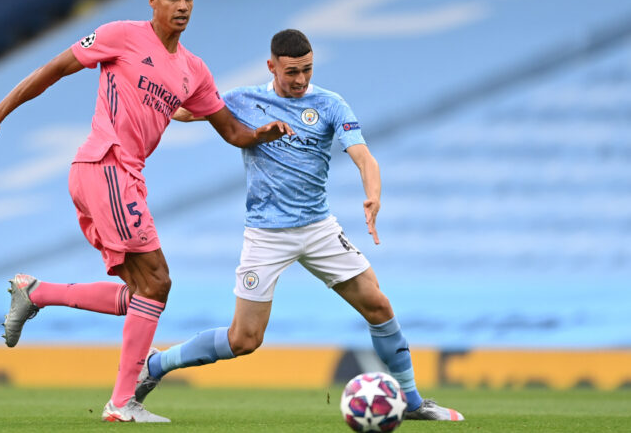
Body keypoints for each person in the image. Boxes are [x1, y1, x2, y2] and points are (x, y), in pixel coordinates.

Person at [0, 0, 292, 423]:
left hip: (122, 175)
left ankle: (36, 292)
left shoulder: (193, 71)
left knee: (142, 292)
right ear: (153, 1)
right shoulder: (121, 35)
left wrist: (261, 134)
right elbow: (55, 68)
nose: (183, 7)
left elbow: (231, 131)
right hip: (105, 164)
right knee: (157, 282)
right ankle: (122, 402)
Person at [134, 29, 464, 422]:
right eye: (292, 71)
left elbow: (364, 156)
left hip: (318, 228)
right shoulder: (243, 100)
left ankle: (411, 402)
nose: (301, 79)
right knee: (244, 339)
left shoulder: (330, 104)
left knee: (378, 305)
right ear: (271, 67)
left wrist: (373, 194)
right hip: (266, 234)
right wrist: (148, 93)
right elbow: (184, 111)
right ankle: (155, 365)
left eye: (307, 69)